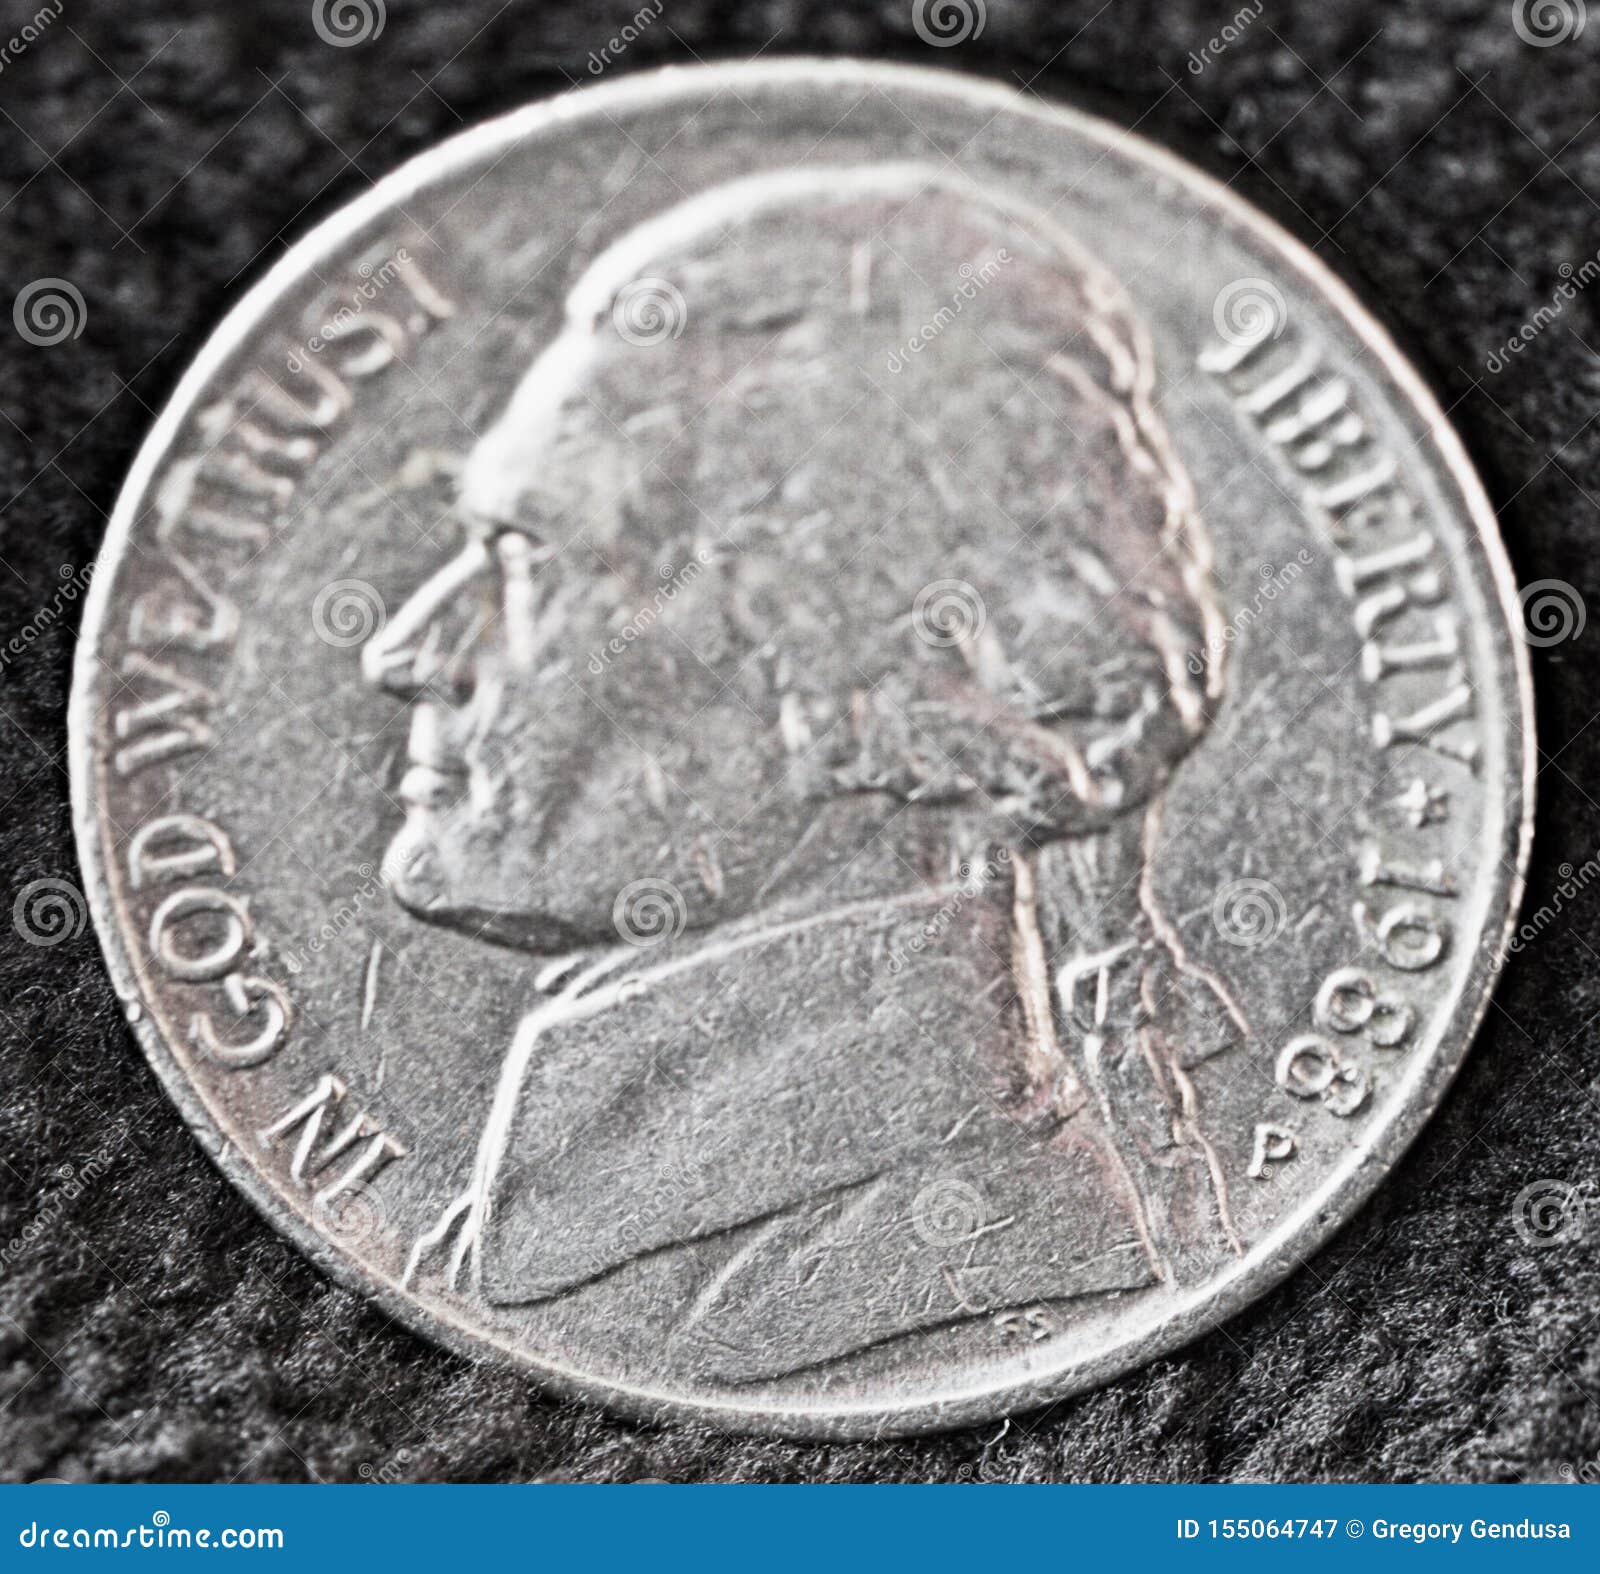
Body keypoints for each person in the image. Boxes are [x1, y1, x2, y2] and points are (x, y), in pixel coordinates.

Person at [361, 164, 1247, 1384]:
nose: (403, 649)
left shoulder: (913, 1278)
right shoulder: (612, 1223)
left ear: (834, 652)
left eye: (529, 557)